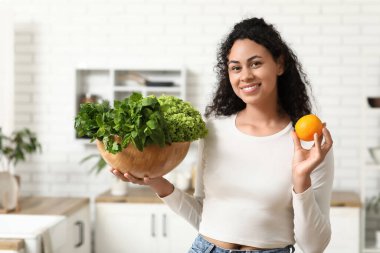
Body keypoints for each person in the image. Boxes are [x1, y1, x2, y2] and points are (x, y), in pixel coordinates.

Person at [111, 17, 334, 253]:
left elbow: (314, 247)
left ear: (279, 64)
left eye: (255, 63)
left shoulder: (309, 144)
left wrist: (301, 179)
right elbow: (202, 214)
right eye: (236, 67)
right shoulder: (214, 130)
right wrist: (157, 182)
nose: (245, 75)